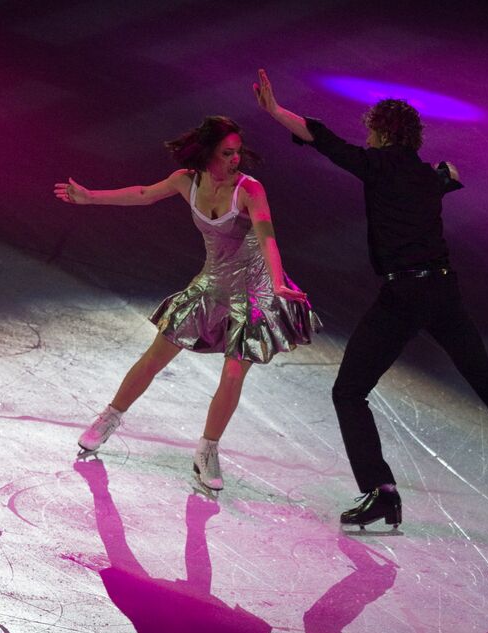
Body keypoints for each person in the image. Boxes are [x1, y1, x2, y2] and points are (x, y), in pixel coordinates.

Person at [253, 69, 488, 527]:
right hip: (442, 291)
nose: (366, 136)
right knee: (486, 377)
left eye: (370, 131)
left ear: (381, 133)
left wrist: (274, 110)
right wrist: (445, 178)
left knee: (349, 391)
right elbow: (441, 179)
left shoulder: (378, 166)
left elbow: (323, 139)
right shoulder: (425, 177)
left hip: (403, 294)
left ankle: (381, 491)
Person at [54, 115, 319, 491]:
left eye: (238, 152)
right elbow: (143, 194)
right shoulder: (185, 181)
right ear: (208, 153)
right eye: (227, 153)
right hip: (212, 286)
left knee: (232, 374)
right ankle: (110, 417)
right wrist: (91, 197)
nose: (235, 160)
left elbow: (267, 236)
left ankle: (207, 450)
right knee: (154, 358)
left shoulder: (249, 189)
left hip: (256, 292)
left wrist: (277, 281)